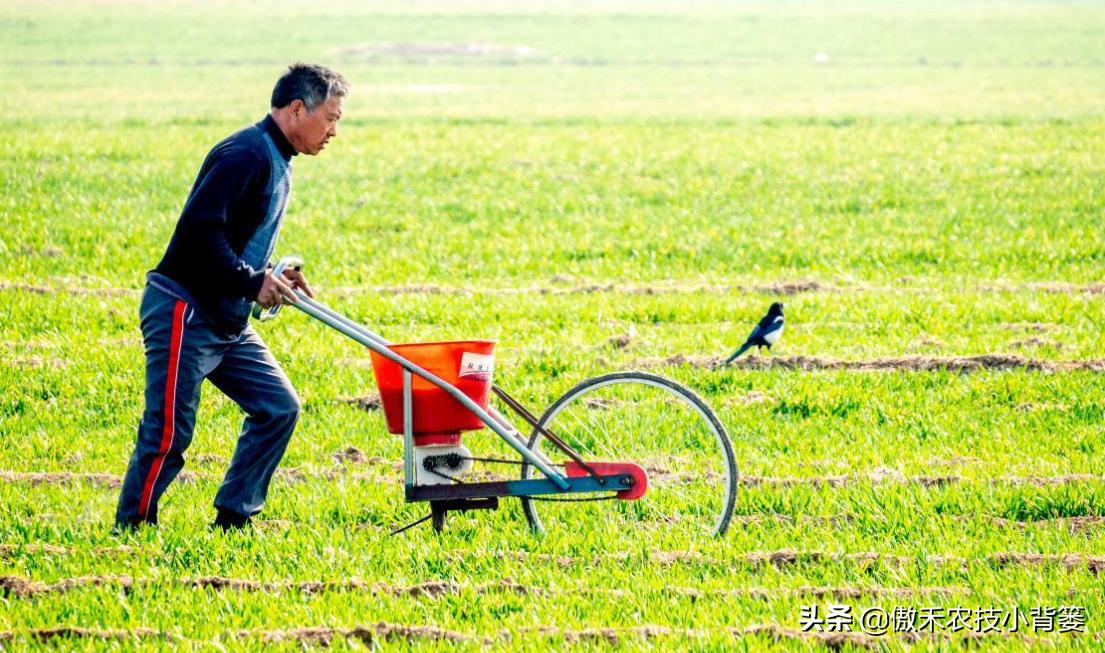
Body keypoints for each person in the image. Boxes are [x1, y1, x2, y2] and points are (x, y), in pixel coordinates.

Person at [114, 63, 347, 531]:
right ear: (298, 109)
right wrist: (250, 281)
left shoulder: (278, 161)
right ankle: (131, 529)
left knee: (278, 408)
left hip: (228, 320)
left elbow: (238, 239)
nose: (335, 130)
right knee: (168, 434)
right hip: (186, 309)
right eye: (332, 117)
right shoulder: (245, 154)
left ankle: (233, 519)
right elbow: (200, 235)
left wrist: (273, 273)